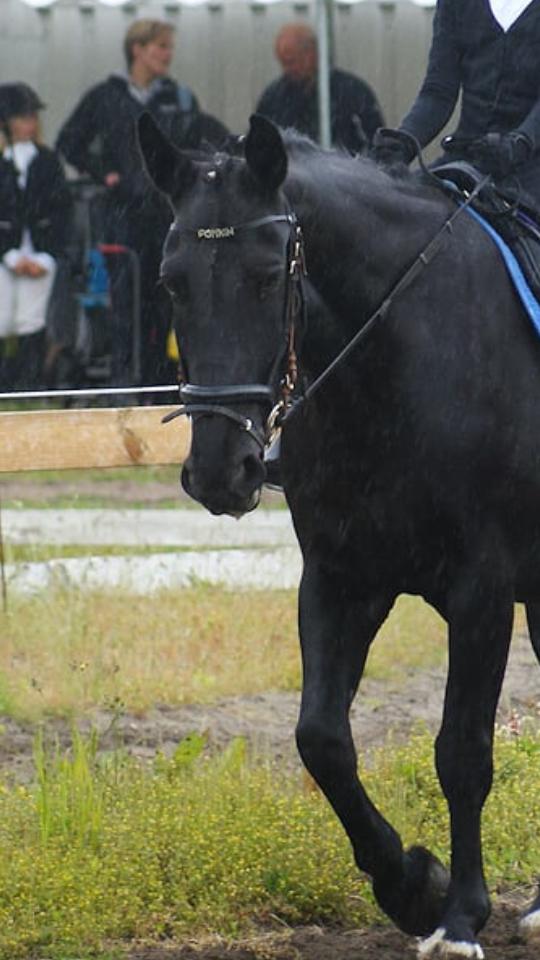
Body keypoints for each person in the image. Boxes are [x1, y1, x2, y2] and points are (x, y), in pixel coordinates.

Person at [56, 18, 225, 392]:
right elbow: (69, 142)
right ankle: (124, 387)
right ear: (138, 49)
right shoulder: (105, 97)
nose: (168, 54)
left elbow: (198, 145)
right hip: (123, 219)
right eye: (161, 47)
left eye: (169, 47)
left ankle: (159, 385)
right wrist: (106, 172)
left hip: (169, 216)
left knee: (167, 301)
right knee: (126, 304)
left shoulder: (179, 99)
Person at [373, 0, 540, 210]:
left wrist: (519, 144)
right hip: (467, 156)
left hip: (531, 164)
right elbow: (438, 92)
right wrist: (404, 142)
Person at [0, 83, 72, 391]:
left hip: (41, 252)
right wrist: (8, 254)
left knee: (32, 318)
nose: (30, 123)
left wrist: (45, 256)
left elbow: (61, 212)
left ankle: (28, 384)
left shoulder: (47, 161)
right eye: (22, 117)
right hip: (5, 254)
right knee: (3, 316)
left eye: (32, 116)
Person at [255, 22, 384, 153]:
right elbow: (258, 142)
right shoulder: (274, 97)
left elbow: (376, 143)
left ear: (312, 54)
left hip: (344, 165)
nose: (286, 69)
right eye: (282, 63)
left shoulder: (352, 92)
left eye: (291, 61)